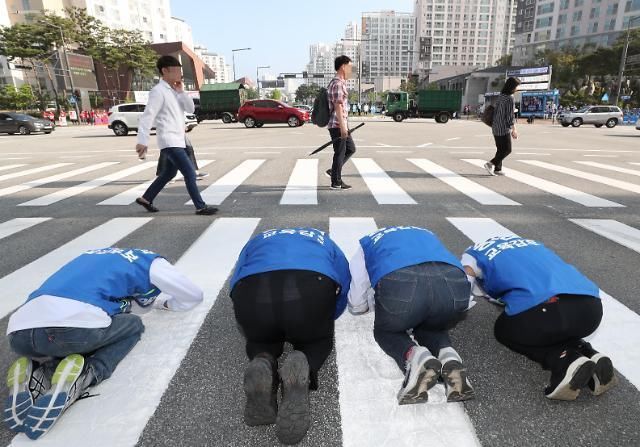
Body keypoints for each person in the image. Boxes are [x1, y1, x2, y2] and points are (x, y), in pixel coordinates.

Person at [4, 247, 203, 439]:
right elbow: (193, 295)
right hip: (68, 330)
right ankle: (88, 373)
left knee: (73, 334)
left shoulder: (91, 256)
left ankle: (39, 372)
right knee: (133, 325)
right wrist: (166, 303)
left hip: (19, 333)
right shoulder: (152, 263)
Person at [229, 228, 351, 445]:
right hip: (310, 288)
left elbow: (236, 276)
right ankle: (303, 360)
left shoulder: (258, 239)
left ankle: (263, 360)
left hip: (252, 290)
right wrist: (329, 314)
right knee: (316, 341)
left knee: (261, 340)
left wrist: (243, 312)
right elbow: (343, 274)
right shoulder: (322, 238)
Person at [461, 236, 617, 401]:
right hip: (591, 308)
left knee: (504, 329)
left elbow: (463, 285)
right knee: (553, 329)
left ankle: (563, 360)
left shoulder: (472, 256)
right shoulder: (529, 243)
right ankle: (590, 354)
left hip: (550, 309)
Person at [348, 226, 475, 404]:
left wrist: (365, 306)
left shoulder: (368, 242)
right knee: (431, 324)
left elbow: (357, 301)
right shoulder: (427, 232)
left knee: (386, 332)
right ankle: (449, 358)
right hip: (454, 284)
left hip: (402, 281)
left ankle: (414, 357)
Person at [135, 55, 217, 215]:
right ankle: (200, 207)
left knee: (169, 173)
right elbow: (148, 116)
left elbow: (190, 108)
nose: (180, 74)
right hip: (169, 139)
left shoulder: (174, 91)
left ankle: (146, 198)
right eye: (177, 71)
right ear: (165, 71)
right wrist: (142, 140)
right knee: (190, 172)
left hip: (178, 140)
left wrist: (181, 92)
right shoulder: (158, 91)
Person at [324, 55, 356, 190]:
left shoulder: (337, 82)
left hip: (340, 123)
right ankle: (336, 182)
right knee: (340, 152)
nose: (351, 70)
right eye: (350, 67)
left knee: (350, 149)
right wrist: (343, 127)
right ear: (343, 66)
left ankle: (334, 171)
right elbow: (338, 106)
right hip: (338, 124)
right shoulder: (337, 83)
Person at [484, 77, 520, 176]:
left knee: (500, 149)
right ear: (512, 87)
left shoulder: (501, 96)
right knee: (508, 149)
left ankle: (497, 169)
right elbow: (509, 116)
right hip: (503, 127)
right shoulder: (510, 98)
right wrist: (514, 129)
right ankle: (490, 163)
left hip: (495, 125)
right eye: (517, 86)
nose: (517, 88)